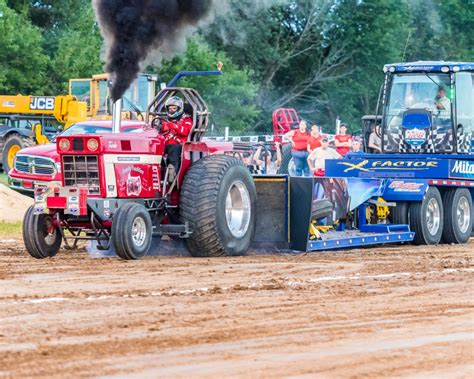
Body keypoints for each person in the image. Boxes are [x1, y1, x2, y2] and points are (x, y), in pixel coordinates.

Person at [161, 96, 193, 181]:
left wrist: (172, 125)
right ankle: (160, 169)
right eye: (170, 108)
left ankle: (172, 171)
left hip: (179, 145)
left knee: (174, 149)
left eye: (174, 108)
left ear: (179, 108)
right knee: (155, 148)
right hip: (164, 144)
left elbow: (185, 131)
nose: (171, 110)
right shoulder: (164, 120)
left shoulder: (186, 119)